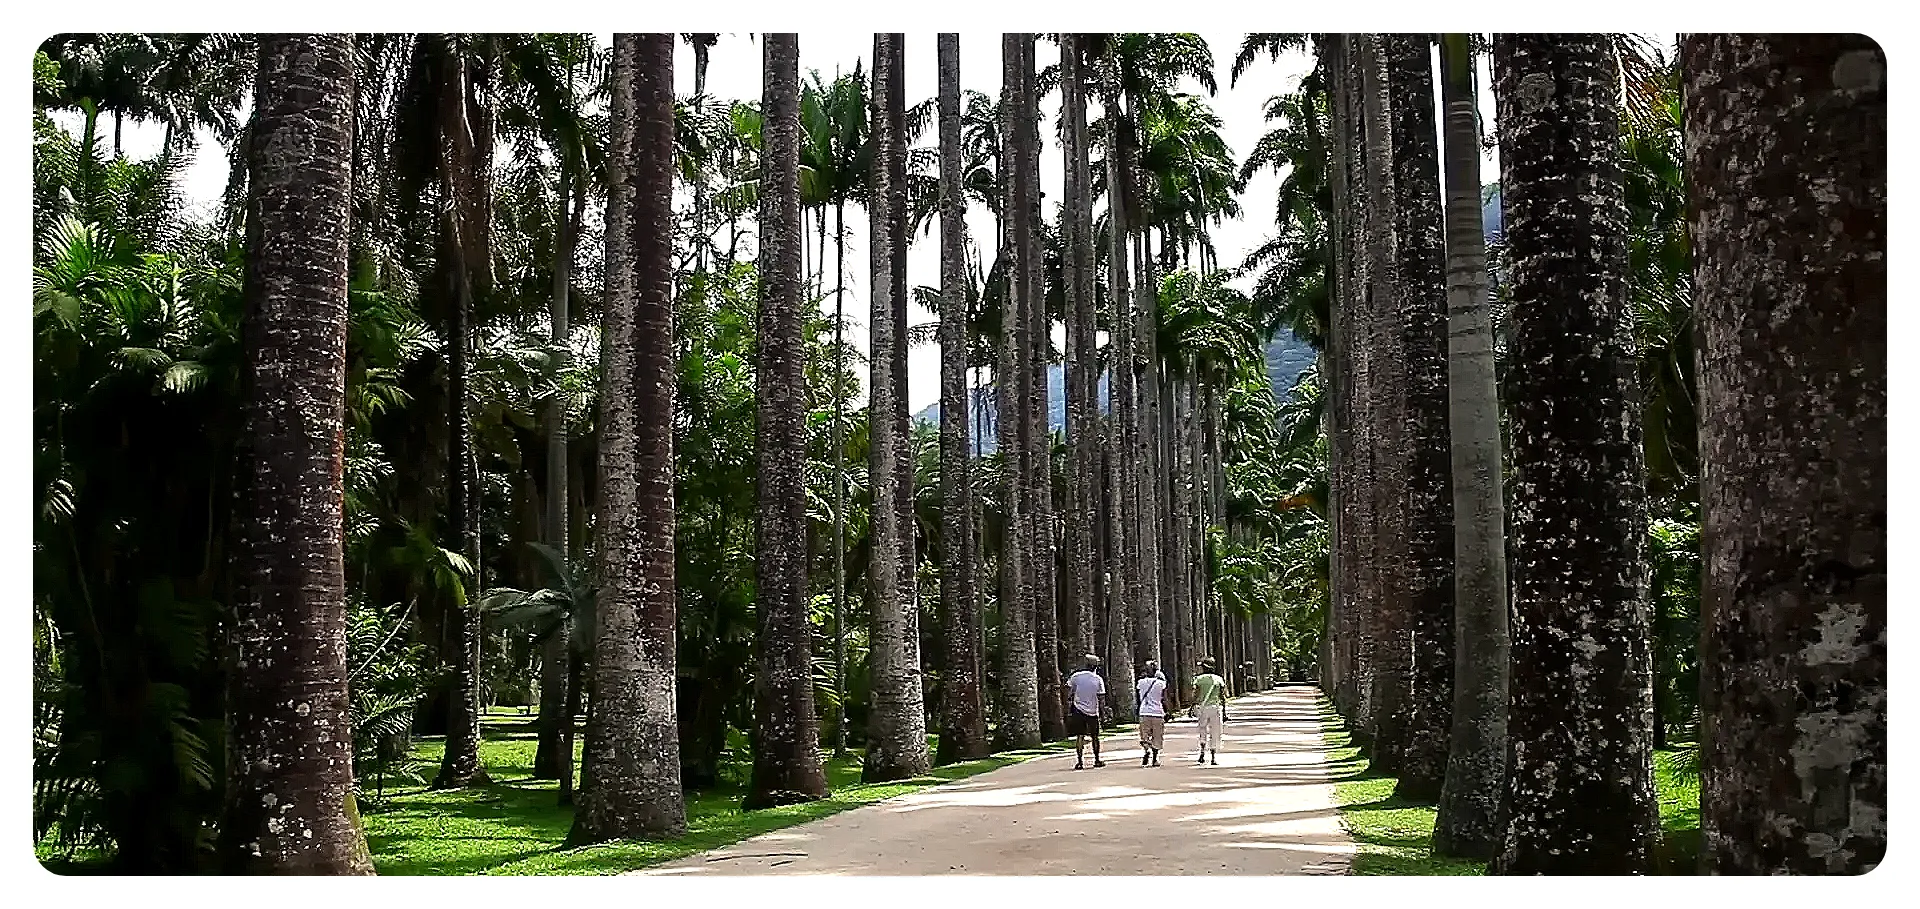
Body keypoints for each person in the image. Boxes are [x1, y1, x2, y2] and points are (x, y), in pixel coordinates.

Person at [1065, 654, 1107, 769]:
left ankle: (1079, 762)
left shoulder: (1076, 676)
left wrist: (1069, 703)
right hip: (1093, 711)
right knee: (1095, 737)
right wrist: (1103, 713)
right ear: (1095, 667)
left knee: (1080, 736)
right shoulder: (1098, 679)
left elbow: (1068, 691)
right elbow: (1101, 698)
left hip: (1078, 709)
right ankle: (1097, 759)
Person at [1189, 658, 1229, 765]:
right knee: (1215, 732)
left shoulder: (1199, 679)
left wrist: (1192, 706)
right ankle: (1213, 756)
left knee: (1202, 729)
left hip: (1202, 708)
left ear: (1204, 668)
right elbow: (1222, 697)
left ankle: (1202, 751)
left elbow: (1196, 694)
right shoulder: (1219, 679)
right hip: (1215, 708)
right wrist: (1224, 712)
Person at [1135, 661, 1168, 766]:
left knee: (1145, 735)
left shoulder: (1141, 682)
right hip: (1157, 712)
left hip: (1144, 712)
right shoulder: (1161, 683)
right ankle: (1154, 758)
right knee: (1157, 736)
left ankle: (1146, 750)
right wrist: (1168, 711)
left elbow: (1138, 697)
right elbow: (1164, 699)